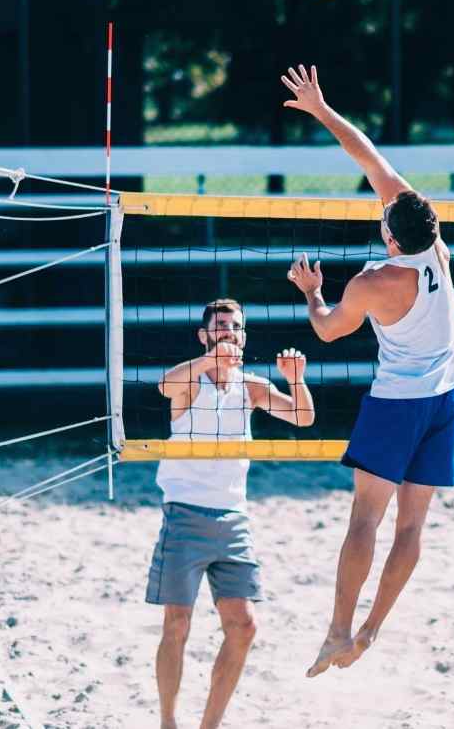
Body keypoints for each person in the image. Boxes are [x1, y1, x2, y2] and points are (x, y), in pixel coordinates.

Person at [280, 64, 454, 677]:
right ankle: (371, 629)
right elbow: (369, 158)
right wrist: (323, 109)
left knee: (365, 517)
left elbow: (329, 330)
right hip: (447, 397)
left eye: (383, 220)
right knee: (412, 526)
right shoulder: (434, 244)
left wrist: (311, 292)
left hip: (397, 405)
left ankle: (337, 629)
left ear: (391, 237)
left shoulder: (372, 281)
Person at [149, 298, 314, 729]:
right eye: (220, 326)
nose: (228, 332)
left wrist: (296, 381)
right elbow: (164, 386)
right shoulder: (191, 381)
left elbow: (304, 417)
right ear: (204, 335)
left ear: (243, 336)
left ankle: (210, 725)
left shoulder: (252, 386)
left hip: (233, 518)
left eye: (235, 327)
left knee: (243, 627)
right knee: (177, 624)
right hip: (185, 513)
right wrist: (210, 359)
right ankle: (168, 722)